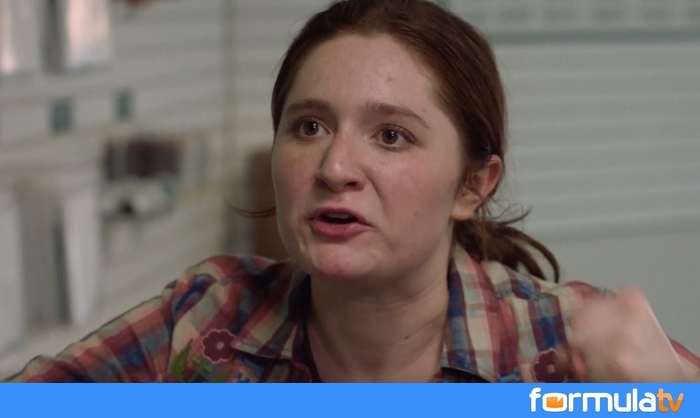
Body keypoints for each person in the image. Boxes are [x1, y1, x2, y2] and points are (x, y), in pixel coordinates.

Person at [6, 0, 700, 383]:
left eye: (391, 136)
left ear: (472, 185)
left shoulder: (565, 346)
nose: (335, 166)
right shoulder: (208, 320)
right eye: (308, 127)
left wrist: (671, 402)